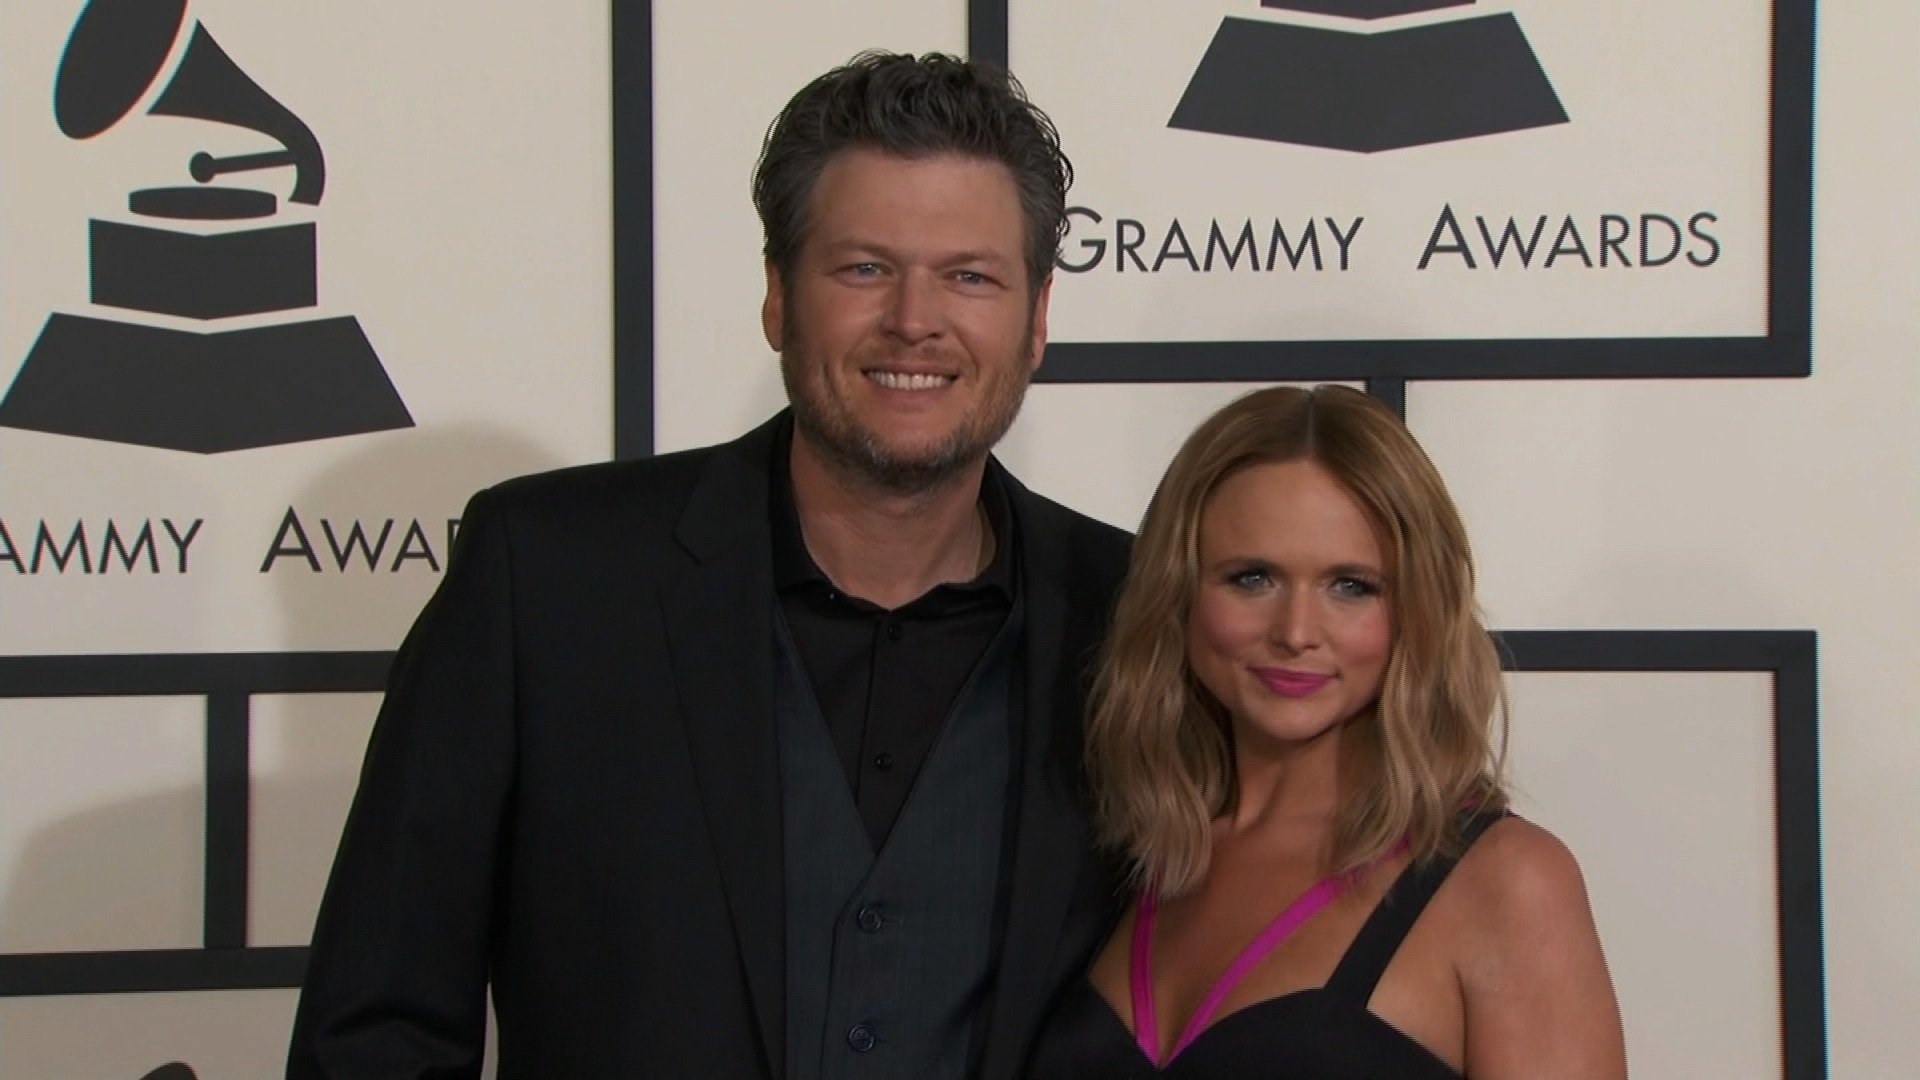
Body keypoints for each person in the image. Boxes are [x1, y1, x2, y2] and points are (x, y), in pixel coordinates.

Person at [285, 52, 1131, 1080]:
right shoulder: (545, 581)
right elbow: (378, 1027)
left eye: (970, 276)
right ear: (778, 297)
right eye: (863, 268)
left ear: (1036, 319)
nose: (916, 318)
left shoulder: (1131, 613)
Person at [1028, 385, 1627, 1079]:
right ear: (1180, 593)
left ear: (1415, 609)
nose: (1297, 633)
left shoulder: (1507, 882)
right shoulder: (1125, 857)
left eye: (1351, 586)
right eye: (1252, 578)